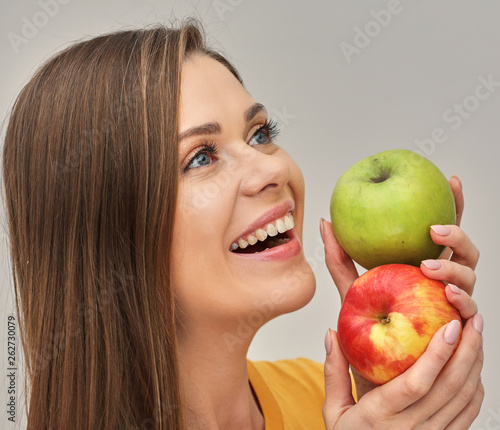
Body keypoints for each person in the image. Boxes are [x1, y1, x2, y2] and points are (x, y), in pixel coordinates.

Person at [2, 19, 483, 429]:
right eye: (201, 158)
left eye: (260, 134)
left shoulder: (330, 400)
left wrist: (404, 370)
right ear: (108, 228)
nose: (273, 169)